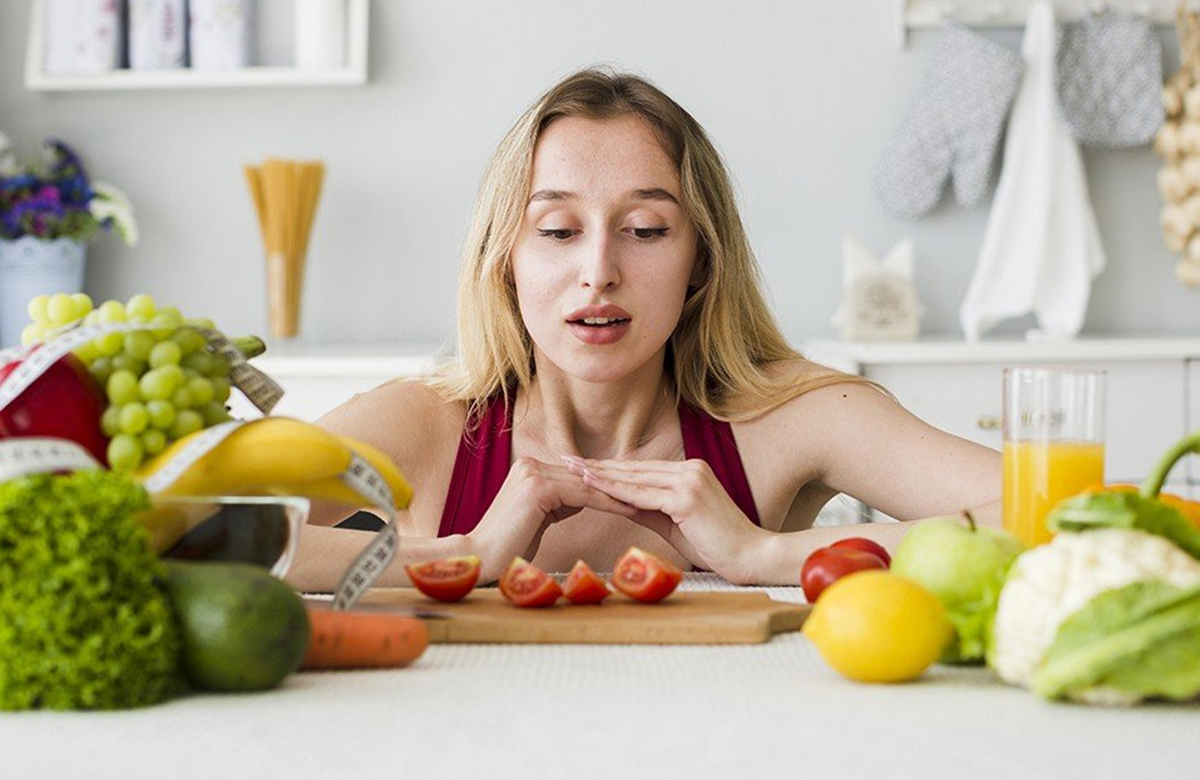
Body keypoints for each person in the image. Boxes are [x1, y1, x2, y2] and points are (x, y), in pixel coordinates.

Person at [289, 69, 1000, 591]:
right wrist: (466, 553)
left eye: (645, 229)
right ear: (506, 260)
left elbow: (1070, 514)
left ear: (701, 260)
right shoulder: (426, 425)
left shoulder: (791, 417)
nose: (598, 270)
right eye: (559, 229)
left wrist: (762, 555)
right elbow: (195, 528)